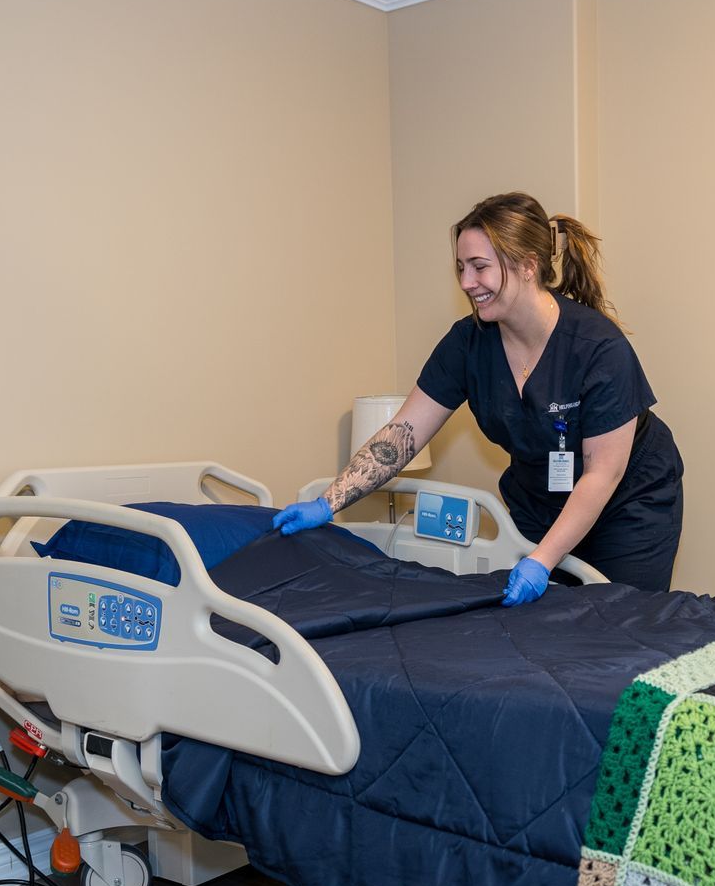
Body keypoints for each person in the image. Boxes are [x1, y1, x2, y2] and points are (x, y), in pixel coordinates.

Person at [271, 192, 685, 605]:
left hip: (628, 501)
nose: (467, 282)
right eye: (461, 268)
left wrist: (542, 560)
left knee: (625, 620)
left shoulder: (597, 348)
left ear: (527, 265)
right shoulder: (468, 344)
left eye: (479, 267)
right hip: (539, 498)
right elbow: (404, 433)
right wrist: (330, 501)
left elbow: (602, 474)